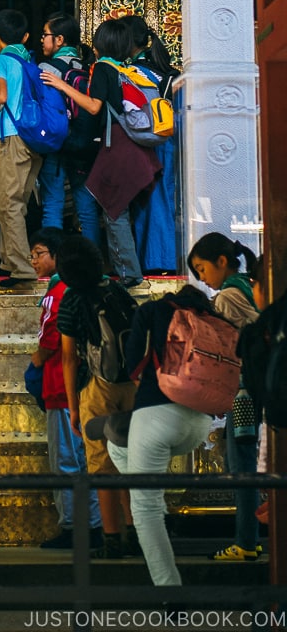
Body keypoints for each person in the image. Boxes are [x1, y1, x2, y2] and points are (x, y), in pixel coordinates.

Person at [103, 283, 216, 586]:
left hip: (156, 415)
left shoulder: (151, 311)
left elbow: (133, 364)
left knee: (145, 507)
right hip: (200, 423)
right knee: (118, 444)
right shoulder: (211, 319)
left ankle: (170, 591)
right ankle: (152, 493)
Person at [42, 18, 151, 289]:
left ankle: (128, 275)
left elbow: (93, 107)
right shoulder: (125, 67)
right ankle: (118, 269)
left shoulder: (103, 67)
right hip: (136, 145)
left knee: (114, 212)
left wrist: (62, 85)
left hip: (116, 146)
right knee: (110, 208)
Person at [56, 236, 137, 559]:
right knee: (131, 463)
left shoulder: (73, 300)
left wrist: (74, 407)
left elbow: (68, 358)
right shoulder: (118, 291)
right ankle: (136, 533)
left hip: (96, 388)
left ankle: (112, 539)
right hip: (131, 385)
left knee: (103, 466)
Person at [187, 231, 261, 561]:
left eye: (202, 269)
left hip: (243, 391)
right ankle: (254, 532)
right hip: (252, 386)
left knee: (240, 464)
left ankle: (247, 542)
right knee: (236, 461)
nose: (203, 278)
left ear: (221, 262)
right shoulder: (248, 283)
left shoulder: (227, 296)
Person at [29, 228, 103, 551]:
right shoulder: (92, 290)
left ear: (59, 258)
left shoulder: (58, 292)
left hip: (62, 387)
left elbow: (51, 339)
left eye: (39, 253)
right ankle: (100, 525)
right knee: (91, 459)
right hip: (91, 387)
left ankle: (75, 527)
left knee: (67, 460)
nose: (33, 260)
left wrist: (36, 359)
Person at [0, 8, 41, 289]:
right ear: (25, 36)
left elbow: (0, 97)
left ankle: (22, 269)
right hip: (33, 139)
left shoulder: (0, 60)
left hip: (11, 138)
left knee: (7, 204)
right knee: (18, 203)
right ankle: (8, 261)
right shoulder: (29, 60)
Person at [121, 15, 180, 274]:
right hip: (170, 143)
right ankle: (161, 258)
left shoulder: (136, 72)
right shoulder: (167, 71)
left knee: (151, 200)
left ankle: (157, 261)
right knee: (164, 198)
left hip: (149, 143)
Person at [36, 12, 101, 244]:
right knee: (86, 207)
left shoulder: (47, 67)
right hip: (83, 145)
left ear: (60, 40)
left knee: (52, 204)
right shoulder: (86, 67)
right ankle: (92, 261)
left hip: (56, 145)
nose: (42, 40)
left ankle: (53, 265)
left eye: (45, 35)